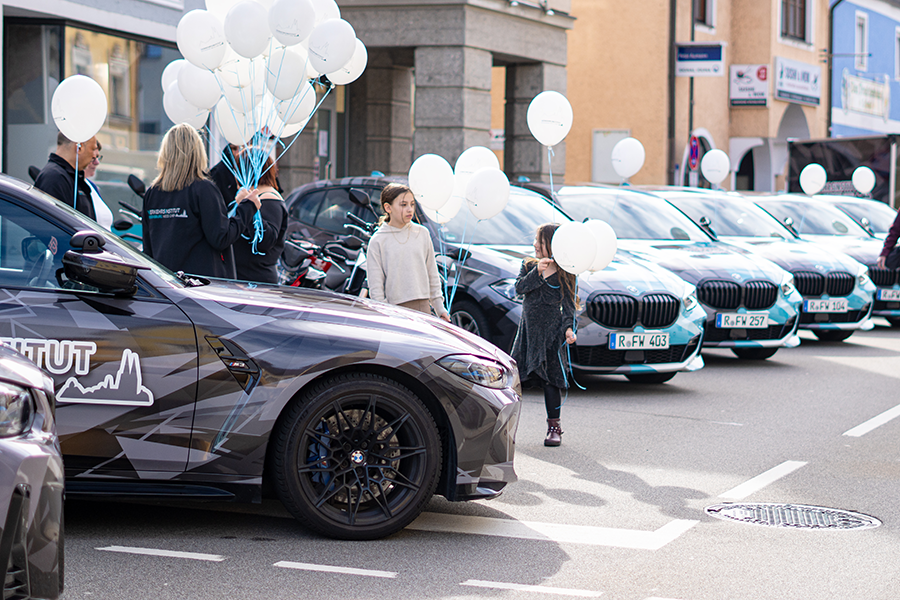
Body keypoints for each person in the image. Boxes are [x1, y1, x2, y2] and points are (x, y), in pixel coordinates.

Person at [142, 123, 260, 279]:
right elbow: (221, 238)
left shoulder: (152, 193)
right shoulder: (203, 189)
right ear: (198, 152)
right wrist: (248, 207)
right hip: (200, 285)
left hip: (165, 284)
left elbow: (148, 249)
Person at [510, 223, 578, 447]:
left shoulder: (566, 272)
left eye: (540, 241)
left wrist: (569, 329)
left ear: (552, 244)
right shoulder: (528, 265)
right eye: (536, 241)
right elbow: (519, 288)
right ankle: (505, 427)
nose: (535, 245)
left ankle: (554, 427)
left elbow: (569, 307)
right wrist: (536, 272)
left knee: (551, 381)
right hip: (528, 333)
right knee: (515, 380)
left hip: (551, 335)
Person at [366, 183, 451, 321]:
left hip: (423, 307)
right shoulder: (378, 240)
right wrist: (384, 314)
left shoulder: (422, 233)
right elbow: (376, 287)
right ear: (388, 208)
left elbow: (432, 274)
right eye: (403, 205)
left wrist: (440, 308)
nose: (409, 209)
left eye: (412, 204)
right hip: (394, 311)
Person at [231, 148, 288, 284]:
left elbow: (265, 240)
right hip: (245, 279)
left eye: (238, 169)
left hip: (256, 281)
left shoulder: (269, 198)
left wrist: (249, 207)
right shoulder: (253, 195)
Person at [34, 132, 99, 219]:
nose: (94, 156)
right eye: (93, 149)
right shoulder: (55, 177)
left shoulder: (69, 176)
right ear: (79, 147)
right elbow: (55, 222)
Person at [82, 141, 114, 231]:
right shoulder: (72, 184)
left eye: (98, 157)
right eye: (92, 158)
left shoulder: (91, 186)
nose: (96, 162)